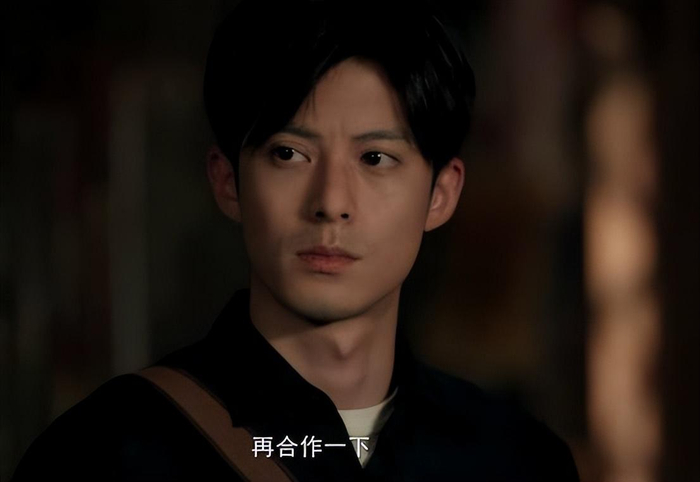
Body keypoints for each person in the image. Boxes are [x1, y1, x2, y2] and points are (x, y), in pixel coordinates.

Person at [13, 0, 580, 480]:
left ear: (441, 193)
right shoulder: (107, 455)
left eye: (375, 158)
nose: (330, 201)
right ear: (227, 181)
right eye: (288, 154)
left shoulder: (515, 461)